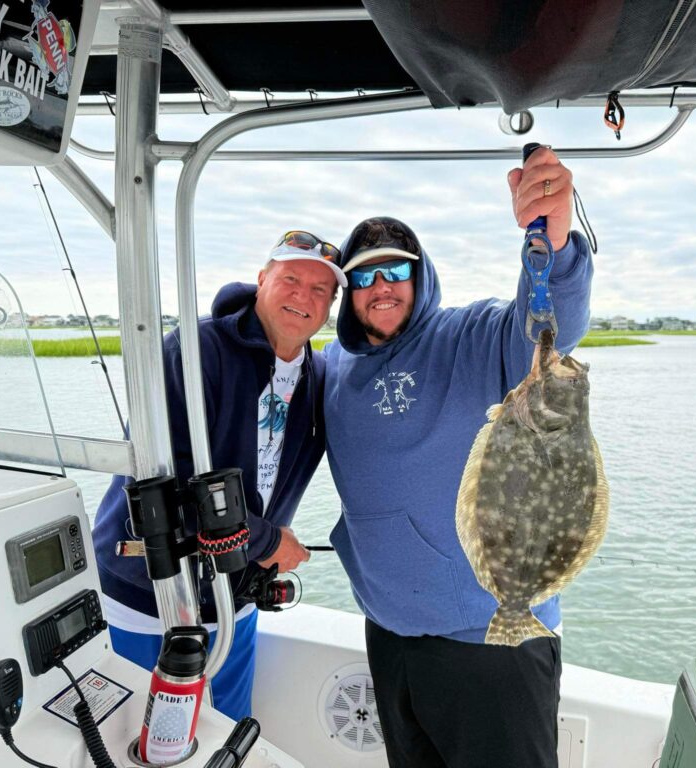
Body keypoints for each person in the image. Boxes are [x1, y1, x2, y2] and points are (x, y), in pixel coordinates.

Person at [324, 148, 593, 768]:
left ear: (421, 279)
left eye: (396, 271)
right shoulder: (334, 369)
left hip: (495, 639)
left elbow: (550, 323)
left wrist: (553, 244)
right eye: (363, 276)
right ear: (348, 293)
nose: (381, 287)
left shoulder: (473, 337)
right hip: (390, 637)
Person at [93, 231, 346, 721]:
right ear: (261, 281)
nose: (303, 296)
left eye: (320, 290)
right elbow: (168, 490)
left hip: (235, 598)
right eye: (291, 278)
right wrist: (270, 540)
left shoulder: (319, 375)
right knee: (142, 740)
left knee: (226, 732)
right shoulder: (193, 350)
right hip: (149, 596)